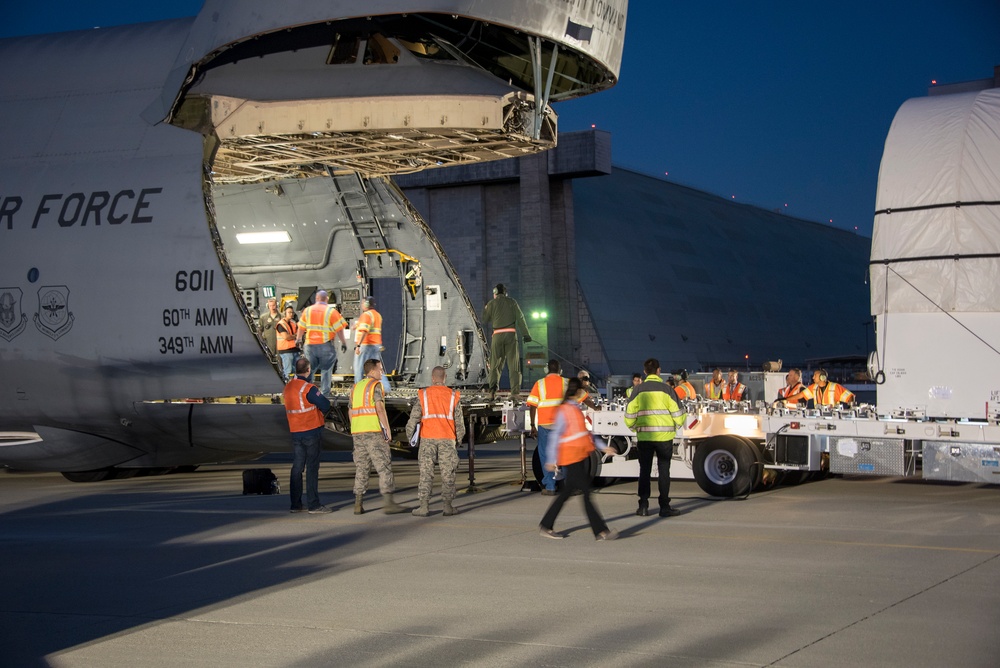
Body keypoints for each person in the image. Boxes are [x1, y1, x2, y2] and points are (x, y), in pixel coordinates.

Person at [538, 377, 619, 540]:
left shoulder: (574, 409)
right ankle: (601, 531)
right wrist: (551, 459)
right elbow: (555, 436)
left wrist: (603, 447)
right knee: (586, 494)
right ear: (577, 392)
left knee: (567, 493)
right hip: (571, 457)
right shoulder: (565, 410)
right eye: (582, 390)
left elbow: (586, 433)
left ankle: (546, 525)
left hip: (579, 455)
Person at [625, 358, 686, 517]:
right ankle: (664, 506)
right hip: (665, 437)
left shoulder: (638, 390)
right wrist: (676, 426)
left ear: (645, 372)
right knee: (664, 471)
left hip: (645, 437)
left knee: (644, 471)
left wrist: (634, 427)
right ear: (659, 370)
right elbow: (679, 414)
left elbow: (629, 415)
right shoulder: (667, 390)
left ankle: (643, 506)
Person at [405, 366, 466, 517]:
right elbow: (460, 423)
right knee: (448, 473)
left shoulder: (423, 394)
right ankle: (447, 506)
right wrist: (458, 440)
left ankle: (424, 507)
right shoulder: (453, 396)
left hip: (427, 439)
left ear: (432, 378)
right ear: (445, 378)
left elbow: (412, 420)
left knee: (426, 473)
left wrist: (411, 439)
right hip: (447, 438)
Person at [350, 359, 407, 515]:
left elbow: (350, 411)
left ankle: (358, 503)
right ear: (372, 371)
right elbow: (380, 409)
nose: (382, 372)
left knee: (362, 467)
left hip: (358, 433)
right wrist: (386, 430)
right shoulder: (375, 386)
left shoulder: (356, 387)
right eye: (380, 369)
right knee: (384, 467)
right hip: (373, 432)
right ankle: (389, 503)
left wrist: (355, 427)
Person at [283, 357, 333, 514]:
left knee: (297, 468)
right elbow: (325, 404)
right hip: (311, 431)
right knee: (312, 468)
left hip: (296, 432)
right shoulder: (308, 388)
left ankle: (295, 504)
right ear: (308, 370)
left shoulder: (288, 387)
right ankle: (314, 504)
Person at [481, 283, 531, 402]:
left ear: (495, 293)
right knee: (514, 365)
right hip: (510, 336)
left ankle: (492, 392)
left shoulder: (491, 303)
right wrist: (526, 334)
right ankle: (515, 393)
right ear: (505, 293)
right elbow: (520, 318)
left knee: (495, 365)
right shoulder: (512, 302)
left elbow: (484, 320)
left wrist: (486, 309)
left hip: (497, 336)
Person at [527, 360, 570, 495]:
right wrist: (595, 407)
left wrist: (532, 425)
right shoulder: (566, 382)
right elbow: (582, 397)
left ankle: (550, 487)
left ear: (547, 370)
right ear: (560, 370)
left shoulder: (539, 384)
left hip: (545, 424)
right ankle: (567, 486)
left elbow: (533, 405)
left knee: (545, 455)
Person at [296, 290, 349, 397]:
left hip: (310, 345)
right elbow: (339, 329)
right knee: (326, 369)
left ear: (316, 298)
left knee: (309, 369)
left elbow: (301, 327)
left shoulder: (307, 311)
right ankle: (325, 394)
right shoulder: (331, 312)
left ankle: (307, 393)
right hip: (325, 345)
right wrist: (343, 342)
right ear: (327, 299)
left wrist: (298, 339)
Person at [353, 297, 391, 393]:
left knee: (359, 368)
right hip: (376, 345)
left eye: (362, 303)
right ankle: (385, 388)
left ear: (366, 304)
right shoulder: (377, 315)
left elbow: (365, 331)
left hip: (366, 345)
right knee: (377, 368)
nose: (361, 305)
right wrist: (357, 325)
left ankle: (358, 390)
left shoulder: (366, 315)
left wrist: (358, 346)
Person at [276, 304, 299, 380]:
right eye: (289, 312)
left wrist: (293, 336)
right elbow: (286, 337)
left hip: (294, 349)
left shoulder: (293, 323)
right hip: (286, 351)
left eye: (292, 312)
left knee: (297, 371)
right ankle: (288, 387)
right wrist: (294, 336)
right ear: (285, 313)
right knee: (288, 371)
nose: (291, 314)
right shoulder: (281, 324)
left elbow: (298, 335)